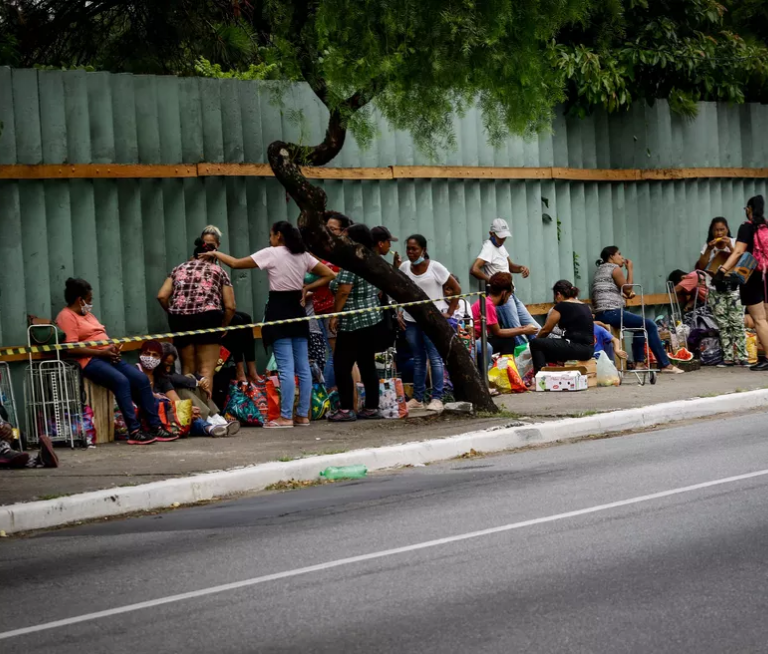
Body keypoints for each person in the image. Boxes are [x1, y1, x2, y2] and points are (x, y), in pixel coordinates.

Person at [200, 221, 336, 428]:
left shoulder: (272, 253)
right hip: (298, 311)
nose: (270, 239)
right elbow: (330, 274)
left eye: (271, 235)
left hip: (279, 309)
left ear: (278, 235)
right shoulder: (303, 255)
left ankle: (286, 416)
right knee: (302, 366)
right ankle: (303, 415)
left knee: (286, 368)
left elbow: (236, 263)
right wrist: (306, 288)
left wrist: (216, 254)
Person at [56, 278, 172, 445]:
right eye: (89, 300)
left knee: (141, 379)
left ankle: (155, 426)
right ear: (79, 300)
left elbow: (98, 337)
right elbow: (70, 348)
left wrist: (112, 350)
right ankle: (134, 430)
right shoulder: (66, 316)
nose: (90, 303)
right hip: (89, 361)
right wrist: (103, 352)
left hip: (106, 356)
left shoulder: (87, 315)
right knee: (121, 381)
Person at [157, 230, 236, 391]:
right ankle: (207, 413)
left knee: (188, 370)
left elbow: (162, 296)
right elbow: (230, 306)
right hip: (208, 317)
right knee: (206, 370)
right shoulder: (218, 271)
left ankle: (191, 412)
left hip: (180, 320)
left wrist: (173, 312)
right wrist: (224, 325)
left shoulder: (178, 269)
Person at [591, 246, 683, 373]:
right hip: (612, 312)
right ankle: (665, 364)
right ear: (611, 256)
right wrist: (630, 269)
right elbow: (628, 288)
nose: (622, 258)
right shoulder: (614, 268)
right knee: (650, 325)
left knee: (641, 325)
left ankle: (639, 363)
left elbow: (615, 291)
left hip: (602, 313)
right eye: (619, 254)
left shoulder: (600, 270)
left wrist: (624, 294)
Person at [327, 224, 385, 422]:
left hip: (353, 322)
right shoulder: (370, 257)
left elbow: (343, 291)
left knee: (342, 365)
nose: (341, 237)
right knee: (367, 363)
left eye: (345, 235)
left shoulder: (352, 260)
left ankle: (346, 409)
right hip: (372, 319)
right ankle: (371, 407)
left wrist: (335, 316)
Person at [398, 234, 461, 412]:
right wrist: (400, 312)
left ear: (423, 250)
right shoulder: (404, 267)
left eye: (414, 249)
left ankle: (437, 397)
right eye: (408, 249)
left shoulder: (435, 267)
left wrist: (450, 311)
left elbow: (456, 288)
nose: (410, 252)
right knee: (418, 358)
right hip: (412, 320)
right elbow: (400, 290)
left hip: (432, 320)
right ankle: (418, 397)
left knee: (435, 358)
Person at [714, 195, 768, 371]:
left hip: (752, 275)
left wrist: (722, 271)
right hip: (766, 274)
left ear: (749, 209)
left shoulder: (747, 228)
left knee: (759, 320)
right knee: (765, 319)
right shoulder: (765, 226)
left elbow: (738, 252)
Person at [470, 218, 538, 345]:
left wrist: (521, 268)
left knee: (533, 326)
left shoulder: (501, 247)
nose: (502, 240)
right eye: (500, 237)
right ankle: (523, 359)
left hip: (510, 293)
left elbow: (510, 266)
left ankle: (541, 351)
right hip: (502, 295)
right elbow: (475, 269)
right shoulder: (488, 247)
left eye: (504, 237)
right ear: (491, 234)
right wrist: (493, 281)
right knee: (517, 330)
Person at [149, 342, 239, 437]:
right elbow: (173, 380)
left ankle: (215, 417)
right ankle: (209, 420)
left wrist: (201, 380)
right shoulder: (155, 375)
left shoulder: (165, 372)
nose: (168, 369)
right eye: (166, 365)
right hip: (168, 408)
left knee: (190, 378)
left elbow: (179, 377)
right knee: (183, 389)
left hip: (178, 404)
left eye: (170, 365)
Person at [695, 217, 747, 367]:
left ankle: (743, 357)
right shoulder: (708, 246)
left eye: (722, 229)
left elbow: (741, 260)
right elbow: (701, 265)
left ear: (727, 229)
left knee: (737, 322)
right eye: (716, 230)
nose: (719, 232)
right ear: (712, 231)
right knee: (723, 324)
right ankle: (728, 357)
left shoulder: (735, 242)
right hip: (715, 289)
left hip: (733, 288)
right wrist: (710, 249)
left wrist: (729, 246)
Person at [471, 272, 539, 368]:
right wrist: (523, 330)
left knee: (508, 340)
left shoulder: (488, 302)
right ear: (504, 293)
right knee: (508, 341)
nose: (508, 299)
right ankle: (503, 370)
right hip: (475, 341)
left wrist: (523, 328)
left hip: (481, 338)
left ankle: (504, 369)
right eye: (509, 295)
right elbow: (498, 332)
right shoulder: (488, 305)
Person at [530, 280, 594, 374]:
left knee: (536, 344)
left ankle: (540, 379)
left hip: (575, 348)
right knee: (544, 350)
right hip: (589, 350)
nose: (556, 301)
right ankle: (553, 375)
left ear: (558, 294)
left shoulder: (561, 306)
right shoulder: (585, 306)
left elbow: (545, 330)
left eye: (555, 297)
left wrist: (535, 343)